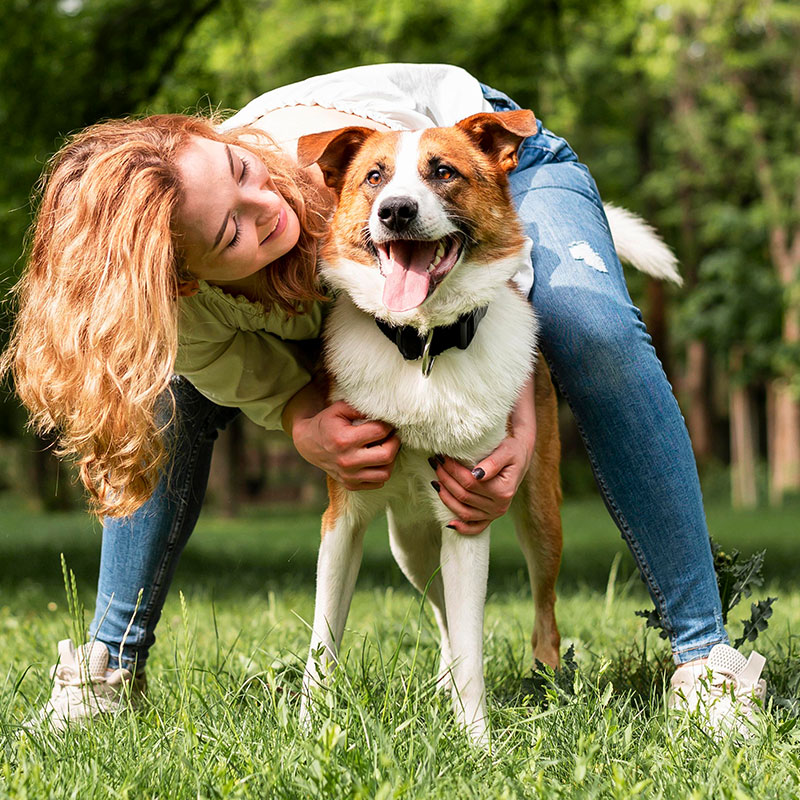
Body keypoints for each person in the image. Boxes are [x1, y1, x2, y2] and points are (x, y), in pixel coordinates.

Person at [3, 64, 766, 736]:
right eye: (231, 230)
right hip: (396, 274)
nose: (263, 204)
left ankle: (706, 657)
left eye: (240, 169)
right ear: (184, 280)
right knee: (163, 389)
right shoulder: (187, 312)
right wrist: (303, 419)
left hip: (483, 163)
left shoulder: (336, 159)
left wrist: (519, 418)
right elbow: (247, 372)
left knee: (590, 325)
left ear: (219, 138)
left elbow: (470, 226)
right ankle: (108, 667)